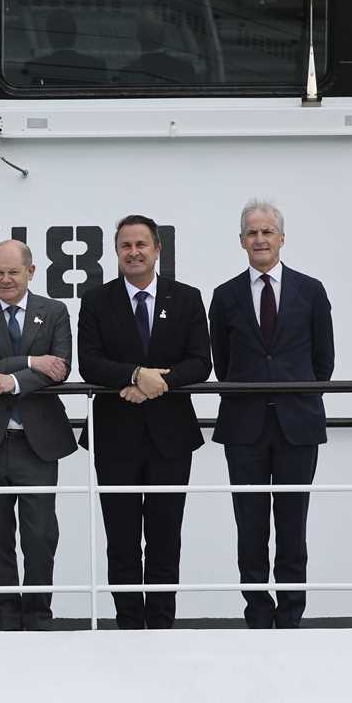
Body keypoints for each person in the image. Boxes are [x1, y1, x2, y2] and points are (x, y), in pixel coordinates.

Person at [78, 215, 212, 629]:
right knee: (121, 541)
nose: (133, 252)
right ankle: (129, 628)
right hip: (114, 437)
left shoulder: (186, 298)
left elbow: (200, 362)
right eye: (125, 246)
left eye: (141, 245)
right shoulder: (96, 300)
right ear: (117, 252)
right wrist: (137, 375)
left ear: (157, 249)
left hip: (171, 438)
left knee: (165, 538)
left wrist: (154, 384)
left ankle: (161, 628)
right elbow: (90, 363)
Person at [209, 200, 333, 628]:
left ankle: (291, 616)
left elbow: (323, 360)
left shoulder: (310, 290)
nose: (259, 239)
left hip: (298, 426)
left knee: (293, 524)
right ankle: (258, 616)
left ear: (281, 238)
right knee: (250, 526)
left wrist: (294, 396)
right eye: (252, 233)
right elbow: (223, 363)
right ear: (241, 241)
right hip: (244, 428)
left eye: (266, 232)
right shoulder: (225, 295)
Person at [0, 240, 76, 631]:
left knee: (40, 536)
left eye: (13, 272)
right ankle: (6, 620)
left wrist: (12, 380)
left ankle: (38, 617)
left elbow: (60, 368)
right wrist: (30, 362)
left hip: (37, 444)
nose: (5, 279)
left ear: (31, 272)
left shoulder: (54, 311)